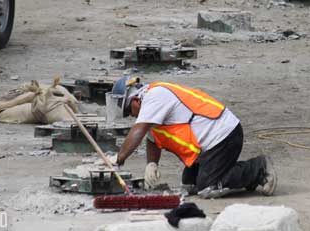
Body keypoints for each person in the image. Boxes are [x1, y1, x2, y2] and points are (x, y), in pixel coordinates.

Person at [113, 77, 277, 198]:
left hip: (223, 136)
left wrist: (118, 159)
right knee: (189, 184)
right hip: (208, 145)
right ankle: (240, 177)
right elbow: (151, 139)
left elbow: (138, 131)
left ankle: (258, 168)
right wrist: (152, 164)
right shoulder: (151, 109)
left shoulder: (155, 96)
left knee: (207, 188)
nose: (131, 116)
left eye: (129, 111)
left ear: (134, 100)